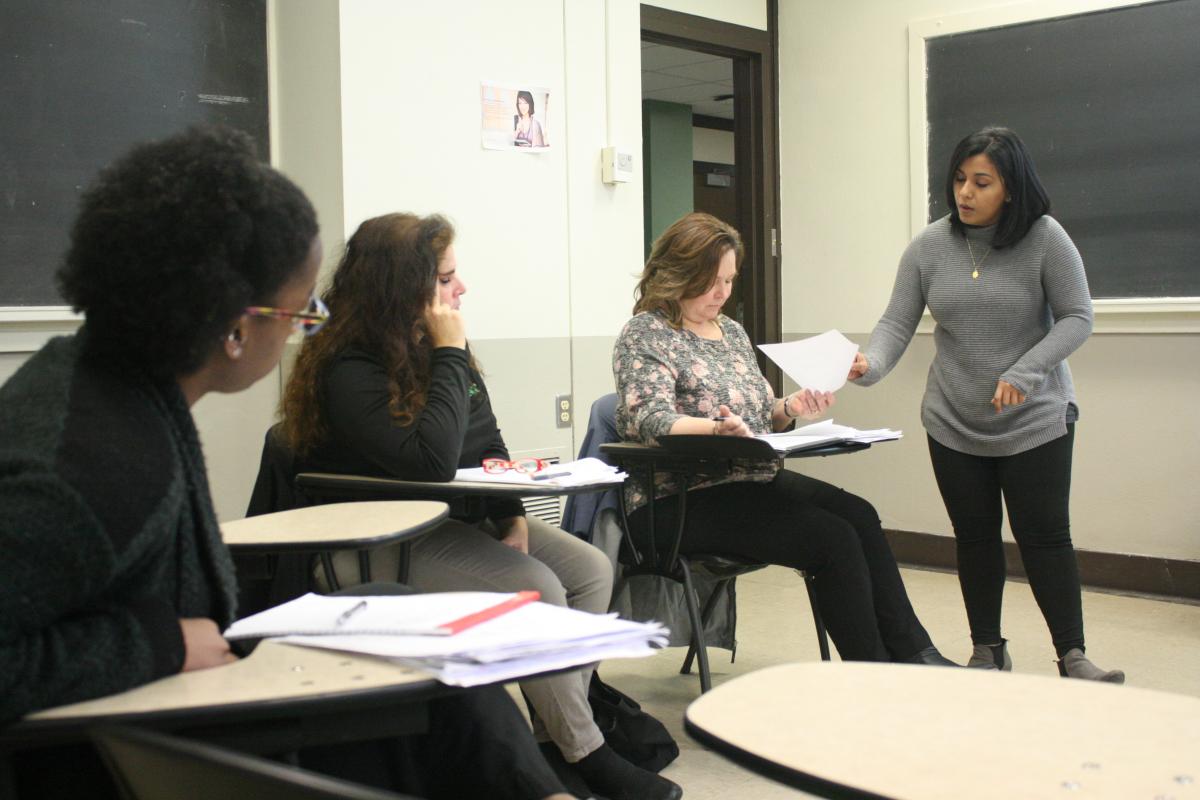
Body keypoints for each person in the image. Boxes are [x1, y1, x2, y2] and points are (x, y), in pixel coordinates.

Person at [0, 126, 575, 800]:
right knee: (438, 712)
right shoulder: (90, 465)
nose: (310, 326)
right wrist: (161, 643)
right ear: (237, 329)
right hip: (153, 762)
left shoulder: (117, 388)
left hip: (175, 714)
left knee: (401, 620)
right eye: (302, 313)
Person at [280, 212, 682, 800]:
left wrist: (513, 516)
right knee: (537, 588)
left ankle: (554, 739)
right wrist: (448, 351)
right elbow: (429, 462)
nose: (460, 288)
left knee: (592, 570)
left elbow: (489, 443)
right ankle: (588, 754)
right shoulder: (350, 367)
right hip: (379, 541)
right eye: (446, 278)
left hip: (451, 521)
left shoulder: (439, 351)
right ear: (401, 288)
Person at [613, 211, 955, 667]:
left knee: (860, 515)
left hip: (748, 479)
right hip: (678, 497)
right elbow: (651, 419)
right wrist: (714, 429)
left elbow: (759, 415)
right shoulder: (645, 333)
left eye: (730, 281)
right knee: (830, 540)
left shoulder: (730, 332)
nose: (722, 293)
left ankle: (915, 652)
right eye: (711, 281)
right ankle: (874, 672)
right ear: (677, 274)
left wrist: (789, 410)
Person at [849, 126, 1123, 683]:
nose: (965, 193)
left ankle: (1073, 655)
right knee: (973, 536)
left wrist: (1025, 371)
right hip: (953, 418)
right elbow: (896, 322)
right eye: (959, 180)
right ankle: (987, 650)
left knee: (1044, 536)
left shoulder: (1045, 238)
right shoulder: (928, 246)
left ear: (1011, 189)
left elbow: (1078, 316)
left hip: (1037, 416)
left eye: (981, 182)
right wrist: (869, 365)